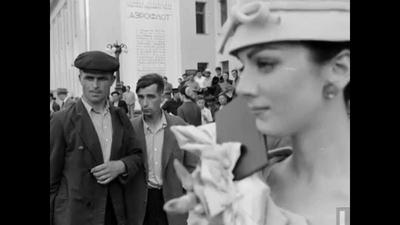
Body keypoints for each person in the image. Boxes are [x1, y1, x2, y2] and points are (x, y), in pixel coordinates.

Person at [216, 0, 350, 223]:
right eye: (243, 67)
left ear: (339, 69)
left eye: (265, 63)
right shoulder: (250, 183)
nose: (242, 87)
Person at [50, 51, 143, 225]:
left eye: (101, 79)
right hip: (75, 216)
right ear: (80, 78)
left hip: (112, 213)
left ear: (112, 81)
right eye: (89, 78)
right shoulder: (61, 120)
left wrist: (121, 166)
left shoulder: (120, 117)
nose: (95, 85)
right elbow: (51, 180)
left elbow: (137, 155)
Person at [126, 73, 198, 225]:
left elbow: (193, 167)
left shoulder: (180, 127)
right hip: (140, 203)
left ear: (161, 96)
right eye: (141, 97)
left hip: (172, 200)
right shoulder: (130, 129)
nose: (144, 103)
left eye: (150, 97)